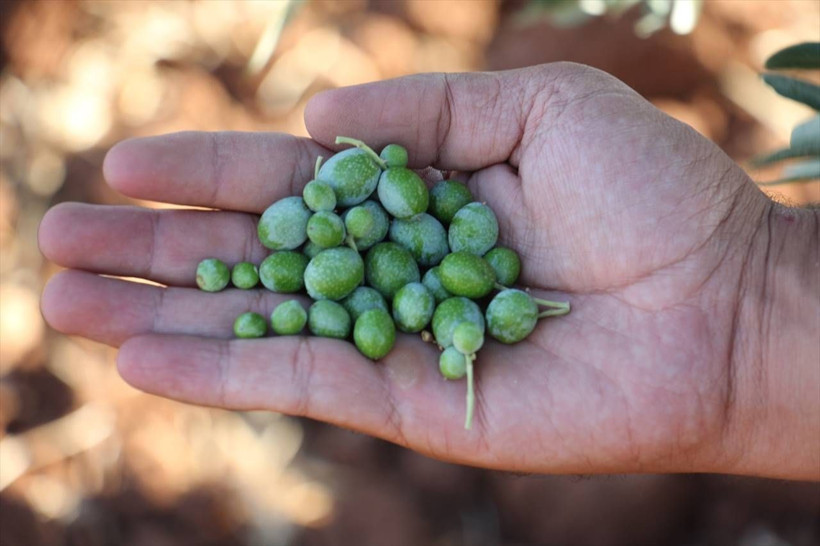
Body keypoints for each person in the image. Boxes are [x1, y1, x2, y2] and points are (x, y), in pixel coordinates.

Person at [38, 63, 819, 480]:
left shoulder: (442, 260)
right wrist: (745, 288)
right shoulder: (396, 251)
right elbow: (381, 278)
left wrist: (740, 280)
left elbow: (425, 277)